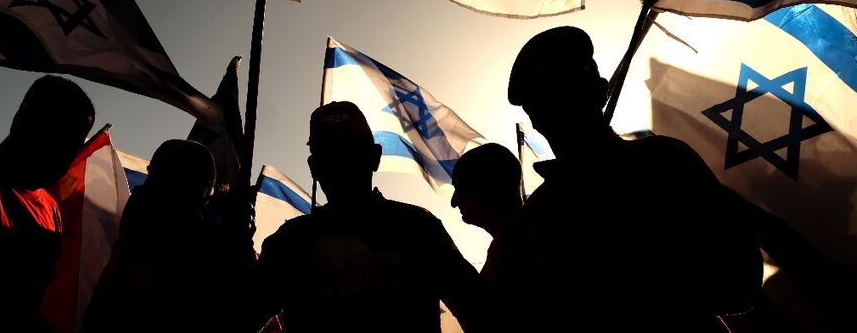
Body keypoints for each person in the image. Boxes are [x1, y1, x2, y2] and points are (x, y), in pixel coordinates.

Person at [490, 26, 763, 332]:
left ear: (600, 89)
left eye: (568, 78)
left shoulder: (664, 162)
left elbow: (741, 284)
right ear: (534, 114)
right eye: (542, 90)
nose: (556, 96)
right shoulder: (529, 224)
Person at [253, 101, 492, 333]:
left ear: (374, 156)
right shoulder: (290, 242)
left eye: (349, 150)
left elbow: (482, 314)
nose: (341, 163)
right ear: (314, 167)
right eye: (330, 153)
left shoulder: (419, 228)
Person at [83, 139, 255, 333]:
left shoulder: (139, 223)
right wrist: (237, 241)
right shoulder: (184, 241)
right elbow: (242, 310)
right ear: (204, 191)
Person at [0, 75, 95, 333]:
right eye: (55, 137)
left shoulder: (51, 210)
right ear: (21, 123)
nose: (64, 154)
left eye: (73, 145)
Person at [450, 142, 522, 282]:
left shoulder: (527, 246)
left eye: (461, 187)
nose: (454, 202)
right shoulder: (508, 245)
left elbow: (486, 303)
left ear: (489, 184)